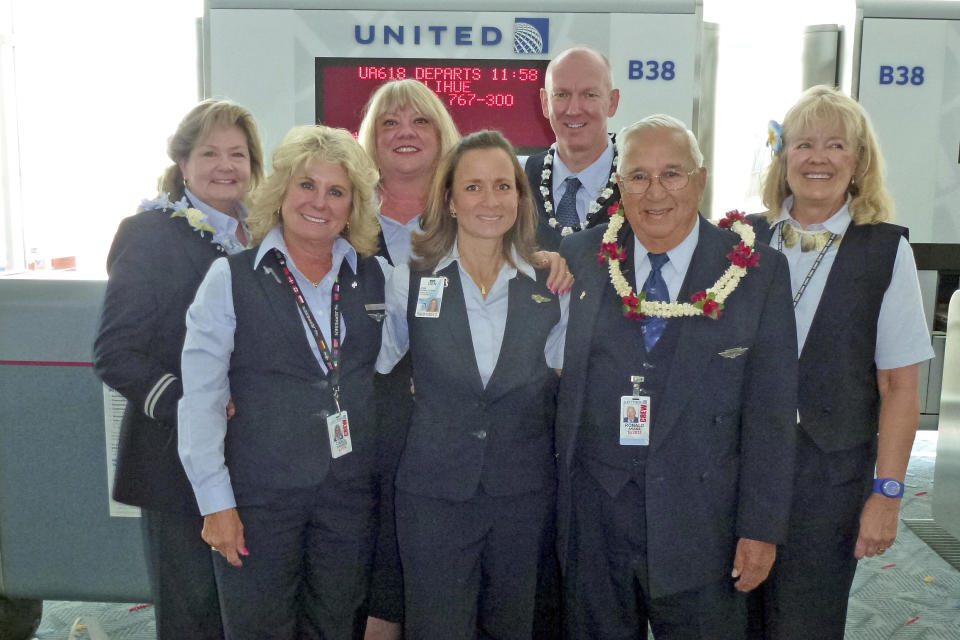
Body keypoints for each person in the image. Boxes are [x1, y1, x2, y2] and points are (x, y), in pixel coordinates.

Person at [556, 114, 798, 639]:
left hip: (704, 529)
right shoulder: (580, 259)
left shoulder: (757, 274)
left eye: (672, 173)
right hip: (597, 525)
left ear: (701, 180)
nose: (654, 192)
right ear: (619, 185)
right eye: (637, 176)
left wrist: (761, 529)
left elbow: (772, 415)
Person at [357, 79, 571, 640]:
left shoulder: (550, 286)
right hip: (432, 497)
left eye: (504, 185)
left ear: (520, 198)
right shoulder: (409, 278)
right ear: (449, 198)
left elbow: (567, 376)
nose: (490, 199)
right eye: (473, 186)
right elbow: (376, 367)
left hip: (522, 498)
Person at [177, 125, 385, 639]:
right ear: (281, 192)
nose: (320, 202)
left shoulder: (378, 277)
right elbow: (201, 402)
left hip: (347, 503)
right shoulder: (230, 278)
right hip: (257, 503)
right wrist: (215, 504)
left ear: (353, 206)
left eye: (336, 191)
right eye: (306, 185)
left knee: (334, 629)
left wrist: (534, 262)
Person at [747, 86, 935, 640]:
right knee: (730, 617)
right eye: (804, 144)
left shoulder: (884, 250)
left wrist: (888, 493)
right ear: (784, 159)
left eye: (836, 145)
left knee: (805, 621)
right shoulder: (744, 240)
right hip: (739, 468)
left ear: (858, 163)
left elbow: (900, 388)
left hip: (828, 478)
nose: (818, 158)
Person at [93, 98, 263, 640]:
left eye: (237, 154)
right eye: (209, 152)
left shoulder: (264, 235)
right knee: (194, 617)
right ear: (183, 163)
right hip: (175, 468)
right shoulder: (148, 234)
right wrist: (190, 406)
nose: (225, 165)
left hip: (256, 462)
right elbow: (115, 352)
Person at [526, 46, 622, 250]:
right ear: (545, 102)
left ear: (612, 102)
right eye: (561, 94)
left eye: (589, 95)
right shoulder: (519, 182)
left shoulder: (638, 182)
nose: (574, 109)